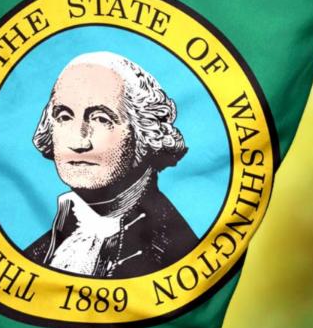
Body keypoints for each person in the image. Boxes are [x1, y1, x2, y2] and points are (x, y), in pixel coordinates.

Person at [26, 51, 198, 278]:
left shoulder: (176, 254)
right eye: (64, 117)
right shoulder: (38, 252)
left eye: (101, 119)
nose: (78, 142)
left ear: (145, 131)